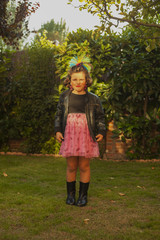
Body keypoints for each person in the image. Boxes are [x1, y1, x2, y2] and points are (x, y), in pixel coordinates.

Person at [54, 56, 106, 207]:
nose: (78, 82)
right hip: (70, 135)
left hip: (86, 135)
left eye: (81, 79)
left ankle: (83, 196)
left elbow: (100, 117)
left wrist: (101, 130)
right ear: (69, 81)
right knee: (71, 166)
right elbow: (58, 114)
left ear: (87, 81)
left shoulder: (94, 99)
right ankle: (70, 195)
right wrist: (57, 130)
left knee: (84, 166)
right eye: (74, 79)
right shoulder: (64, 97)